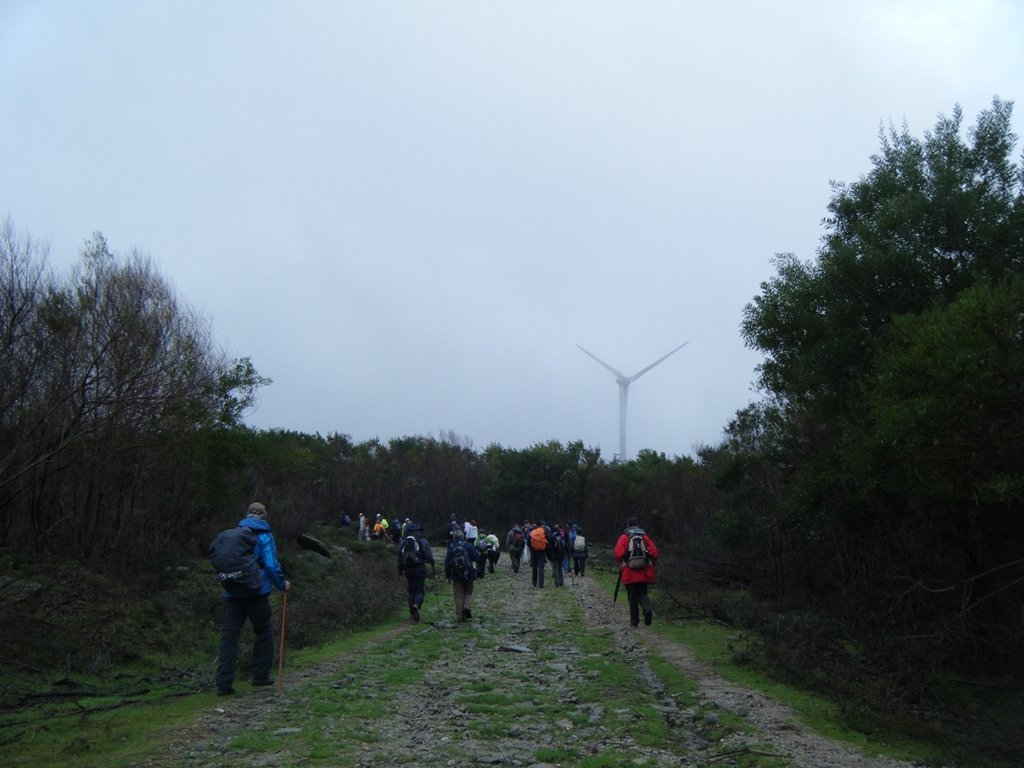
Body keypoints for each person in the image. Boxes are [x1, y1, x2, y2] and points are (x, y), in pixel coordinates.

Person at [215, 502, 290, 695]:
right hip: (257, 592)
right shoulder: (264, 536)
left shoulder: (234, 535)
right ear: (264, 515)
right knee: (263, 631)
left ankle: (223, 683)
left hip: (233, 592)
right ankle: (260, 676)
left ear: (247, 515)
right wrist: (282, 584)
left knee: (229, 636)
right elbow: (270, 565)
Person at [613, 517, 659, 627]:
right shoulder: (644, 537)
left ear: (627, 525)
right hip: (644, 572)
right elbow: (654, 553)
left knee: (632, 597)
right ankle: (647, 609)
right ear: (638, 525)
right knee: (642, 593)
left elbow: (617, 553)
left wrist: (623, 562)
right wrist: (650, 564)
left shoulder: (624, 537)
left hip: (629, 572)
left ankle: (634, 622)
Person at [397, 521, 434, 622]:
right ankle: (416, 605)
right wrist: (432, 562)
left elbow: (399, 556)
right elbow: (428, 555)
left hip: (407, 569)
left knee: (411, 590)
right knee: (420, 590)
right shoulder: (423, 541)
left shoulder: (404, 542)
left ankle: (411, 612)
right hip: (419, 568)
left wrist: (400, 570)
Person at [445, 529, 482, 621]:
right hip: (468, 573)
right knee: (469, 592)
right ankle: (467, 607)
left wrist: (448, 575)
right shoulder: (469, 546)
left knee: (458, 595)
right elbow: (477, 558)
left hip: (456, 575)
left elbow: (447, 562)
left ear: (454, 538)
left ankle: (460, 615)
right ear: (463, 537)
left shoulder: (451, 547)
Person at [529, 521, 550, 588]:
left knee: (534, 568)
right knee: (541, 568)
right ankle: (541, 584)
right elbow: (547, 542)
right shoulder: (544, 532)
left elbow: (528, 542)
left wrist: (532, 548)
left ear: (536, 525)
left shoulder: (532, 532)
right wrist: (545, 550)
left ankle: (534, 583)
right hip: (542, 553)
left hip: (534, 552)